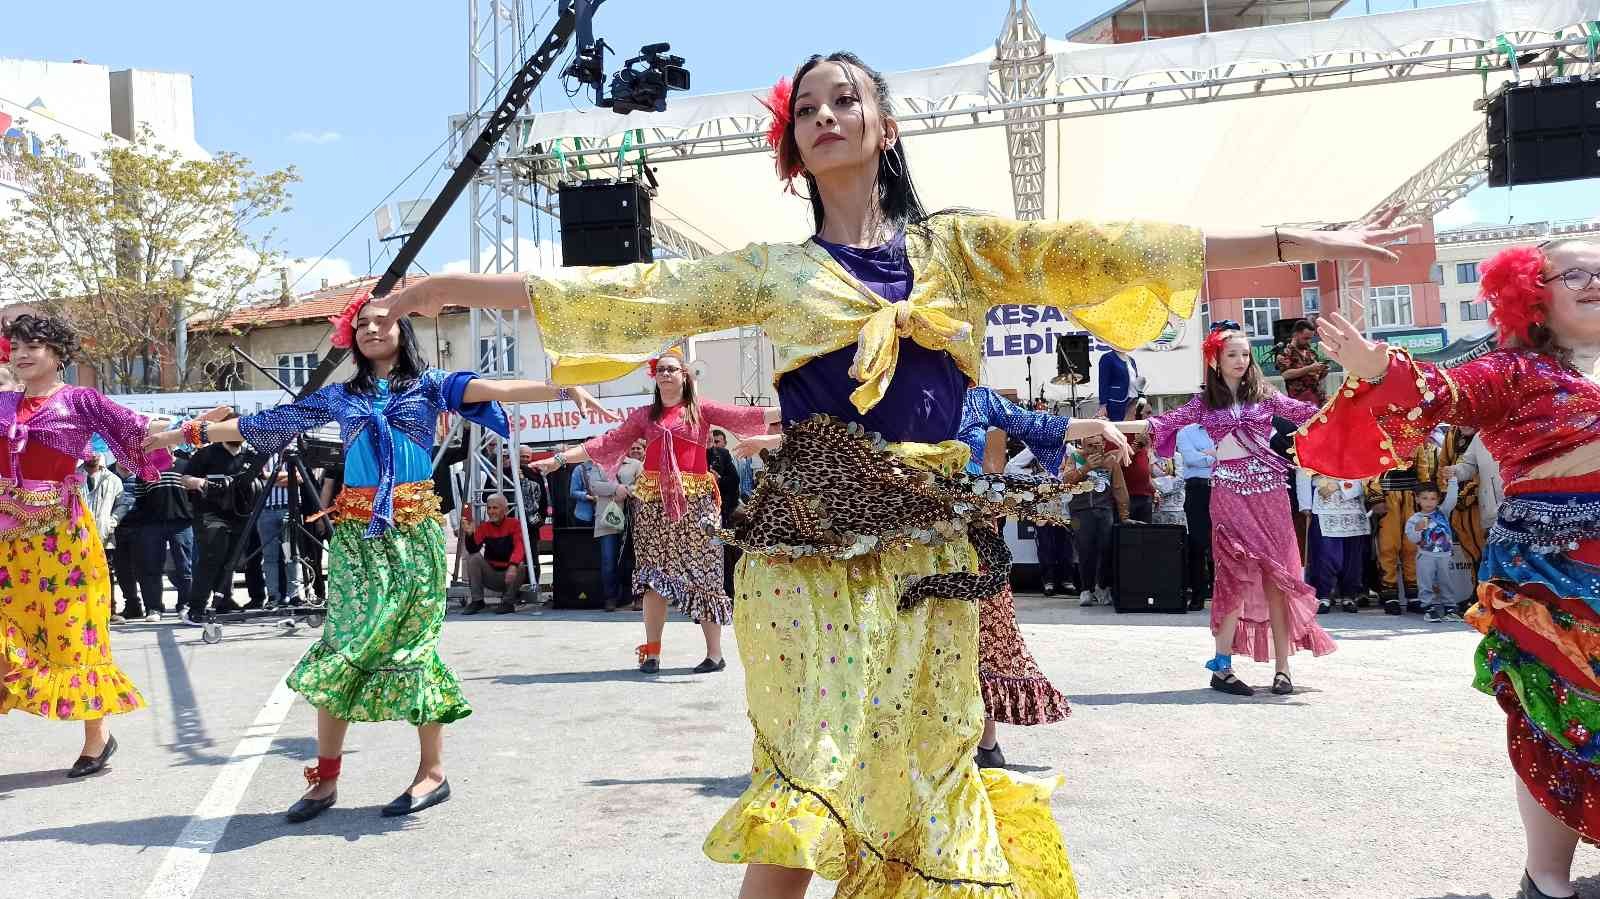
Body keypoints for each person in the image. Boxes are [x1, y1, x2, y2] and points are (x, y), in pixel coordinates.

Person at [373, 49, 1410, 898]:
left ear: (884, 126)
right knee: (805, 773)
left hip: (927, 551)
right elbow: (638, 292)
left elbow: (1104, 248)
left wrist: (1284, 238)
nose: (825, 113)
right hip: (803, 554)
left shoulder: (959, 249)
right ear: (792, 146)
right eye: (808, 107)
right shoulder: (769, 272)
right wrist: (455, 287)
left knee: (924, 775)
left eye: (846, 98)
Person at [145, 296, 615, 823]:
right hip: (356, 539)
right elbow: (263, 425)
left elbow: (498, 388)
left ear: (401, 330)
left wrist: (561, 389)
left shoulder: (433, 386)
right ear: (352, 337)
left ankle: (431, 773)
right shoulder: (339, 397)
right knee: (342, 646)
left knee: (414, 649)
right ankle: (324, 780)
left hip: (413, 535)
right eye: (361, 324)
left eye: (381, 321)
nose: (371, 329)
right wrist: (180, 434)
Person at [1294, 239, 1600, 899]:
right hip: (1551, 575)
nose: (1594, 281)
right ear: (1532, 294)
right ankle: (1547, 879)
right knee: (1559, 715)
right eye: (1576, 272)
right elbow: (1446, 389)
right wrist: (1384, 368)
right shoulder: (1515, 369)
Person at [1120, 322, 1338, 697]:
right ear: (1216, 361)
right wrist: (1109, 426)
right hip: (1229, 493)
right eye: (1231, 354)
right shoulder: (1205, 403)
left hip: (1270, 491)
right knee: (1234, 575)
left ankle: (1283, 669)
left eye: (1244, 353)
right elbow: (1164, 422)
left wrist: (1353, 398)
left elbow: (1307, 412)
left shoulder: (1265, 395)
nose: (1240, 360)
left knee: (1278, 577)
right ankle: (1221, 667)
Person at [0, 314, 173, 776]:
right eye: (16, 345)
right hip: (5, 535)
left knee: (73, 633)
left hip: (63, 537)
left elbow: (140, 433)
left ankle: (97, 739)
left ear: (57, 354)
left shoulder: (81, 400)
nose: (22, 353)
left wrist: (196, 429)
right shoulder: (1, 403)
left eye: (34, 345)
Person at [534, 348, 778, 675]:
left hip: (697, 505)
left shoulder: (700, 410)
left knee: (705, 575)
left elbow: (744, 417)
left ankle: (715, 654)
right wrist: (559, 460)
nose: (665, 374)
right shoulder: (644, 416)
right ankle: (652, 654)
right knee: (652, 578)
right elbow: (606, 442)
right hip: (652, 505)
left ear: (684, 376)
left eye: (672, 369)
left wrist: (795, 407)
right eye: (660, 369)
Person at [955, 386, 1117, 769]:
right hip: (920, 531)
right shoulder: (899, 391)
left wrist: (1095, 424)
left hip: (977, 530)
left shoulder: (978, 399)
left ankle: (986, 742)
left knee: (987, 630)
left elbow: (1034, 423)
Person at [181, 436, 260, 620]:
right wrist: (200, 483)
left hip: (239, 515)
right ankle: (196, 608)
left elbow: (260, 479)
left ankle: (223, 601)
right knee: (210, 560)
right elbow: (184, 478)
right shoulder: (206, 453)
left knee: (230, 561)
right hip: (210, 514)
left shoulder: (250, 455)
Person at [586, 439, 643, 611]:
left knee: (635, 559)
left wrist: (626, 490)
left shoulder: (635, 464)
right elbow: (594, 486)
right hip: (607, 519)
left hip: (633, 519)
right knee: (608, 561)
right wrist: (615, 489)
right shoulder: (599, 465)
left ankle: (638, 597)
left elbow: (644, 485)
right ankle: (610, 597)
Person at [1301, 472, 1368, 614]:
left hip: (1352, 503)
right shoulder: (1313, 448)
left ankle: (1349, 595)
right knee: (1325, 552)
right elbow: (1303, 470)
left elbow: (1366, 473)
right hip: (1322, 499)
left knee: (1352, 555)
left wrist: (1339, 485)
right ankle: (1322, 595)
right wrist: (1305, 504)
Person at [1069, 436, 1120, 607]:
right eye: (1090, 445)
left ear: (1104, 445)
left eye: (1098, 445)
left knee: (1105, 549)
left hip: (1104, 510)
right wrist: (1085, 468)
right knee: (1084, 550)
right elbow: (1065, 480)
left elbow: (1119, 487)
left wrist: (1125, 515)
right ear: (1082, 445)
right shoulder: (1074, 457)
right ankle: (1086, 589)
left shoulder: (1111, 460)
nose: (1094, 449)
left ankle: (1102, 587)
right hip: (1079, 511)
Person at [1404, 479, 1464, 623]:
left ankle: (1450, 607)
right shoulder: (1415, 519)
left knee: (1446, 581)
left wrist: (1453, 482)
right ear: (1417, 499)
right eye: (1424, 498)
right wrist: (1418, 529)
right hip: (1425, 556)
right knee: (1425, 581)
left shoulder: (1442, 512)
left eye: (1433, 498)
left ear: (1438, 500)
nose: (1429, 502)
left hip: (1444, 555)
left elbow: (1451, 499)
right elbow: (1412, 538)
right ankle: (1428, 607)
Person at [458, 492, 526, 614]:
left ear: (505, 509)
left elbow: (520, 547)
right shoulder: (484, 527)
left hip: (509, 574)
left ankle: (508, 602)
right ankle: (477, 601)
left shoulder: (514, 524)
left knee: (520, 566)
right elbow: (473, 549)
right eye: (489, 508)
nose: (491, 511)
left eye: (495, 508)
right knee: (473, 558)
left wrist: (513, 565)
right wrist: (469, 534)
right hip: (492, 575)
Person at [1176, 421, 1216, 611]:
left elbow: (1233, 456)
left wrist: (1210, 456)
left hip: (1221, 488)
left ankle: (1221, 593)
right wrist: (1215, 455)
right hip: (1197, 490)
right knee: (1197, 543)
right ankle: (1198, 595)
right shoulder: (1186, 432)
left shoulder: (1226, 429)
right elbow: (1191, 459)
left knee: (1222, 543)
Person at [1273, 319, 1329, 406]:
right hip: (1301, 403)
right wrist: (1309, 368)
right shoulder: (1285, 353)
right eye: (1305, 338)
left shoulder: (1311, 352)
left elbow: (1316, 376)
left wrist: (1322, 370)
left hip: (1319, 399)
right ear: (1295, 335)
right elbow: (1286, 374)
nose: (1308, 341)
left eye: (1310, 338)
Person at [1096, 348, 1142, 421]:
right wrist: (1103, 405)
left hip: (1133, 400)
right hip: (1116, 400)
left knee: (1130, 428)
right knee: (1117, 426)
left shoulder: (1131, 360)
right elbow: (1103, 382)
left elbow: (1134, 378)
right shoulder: (1107, 357)